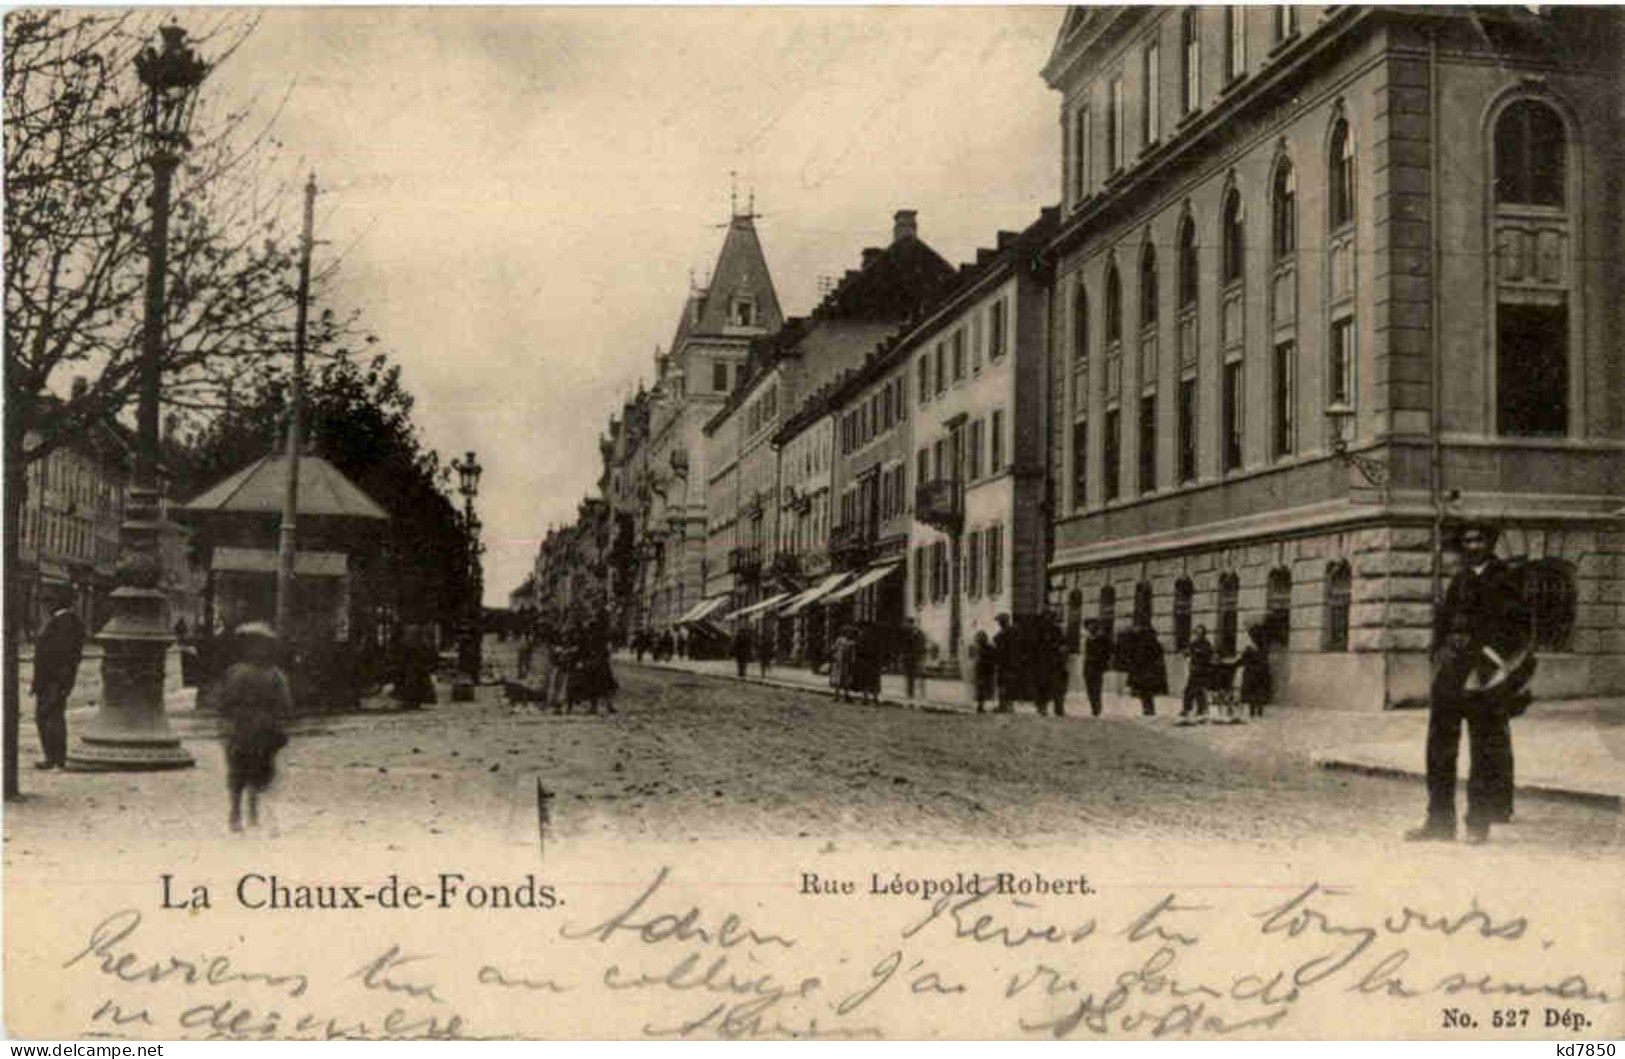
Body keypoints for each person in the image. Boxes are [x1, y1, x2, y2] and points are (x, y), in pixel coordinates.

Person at [1407, 519, 1532, 845]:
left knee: (1484, 751)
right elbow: (1445, 622)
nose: (1473, 546)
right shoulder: (1459, 579)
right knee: (1439, 750)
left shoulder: (1505, 579)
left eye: (1479, 540)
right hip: (1450, 674)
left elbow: (1518, 630)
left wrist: (1493, 668)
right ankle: (1439, 822)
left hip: (1485, 677)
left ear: (1489, 543)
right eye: (1467, 541)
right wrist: (1439, 658)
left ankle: (1478, 823)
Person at [217, 623, 292, 832]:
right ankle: (245, 812)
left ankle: (241, 813)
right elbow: (286, 704)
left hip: (245, 728)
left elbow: (223, 702)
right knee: (252, 770)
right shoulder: (275, 675)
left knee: (242, 770)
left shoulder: (237, 672)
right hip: (257, 728)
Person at [30, 604, 85, 769]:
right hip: (53, 680)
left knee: (50, 718)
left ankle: (55, 759)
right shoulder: (67, 621)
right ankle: (53, 758)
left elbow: (57, 655)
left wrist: (53, 681)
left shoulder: (64, 622)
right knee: (50, 717)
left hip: (52, 680)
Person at [1122, 621, 1168, 717]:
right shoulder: (1149, 644)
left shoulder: (1146, 645)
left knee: (1145, 692)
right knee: (1146, 692)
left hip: (1145, 671)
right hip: (1145, 671)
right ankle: (1148, 708)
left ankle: (1148, 708)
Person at [1235, 624, 1274, 720]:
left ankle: (1257, 713)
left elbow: (1245, 659)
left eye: (1253, 635)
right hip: (1256, 674)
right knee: (1255, 694)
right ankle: (1255, 713)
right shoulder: (1256, 648)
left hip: (1256, 674)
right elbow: (1244, 659)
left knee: (1257, 694)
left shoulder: (1259, 648)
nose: (1252, 637)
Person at [1180, 625, 1214, 724]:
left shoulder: (1206, 645)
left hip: (1202, 672)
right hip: (1194, 671)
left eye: (1200, 633)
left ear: (1204, 634)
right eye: (1196, 633)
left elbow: (1208, 657)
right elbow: (1187, 653)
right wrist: (1187, 655)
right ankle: (1189, 710)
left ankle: (1198, 711)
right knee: (1190, 691)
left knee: (1197, 692)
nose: (1198, 635)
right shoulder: (1193, 644)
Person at [1038, 611, 1069, 717]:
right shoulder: (1040, 631)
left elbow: (1064, 645)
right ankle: (1043, 707)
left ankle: (1059, 708)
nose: (1049, 620)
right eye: (1047, 618)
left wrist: (1061, 655)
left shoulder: (1057, 631)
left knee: (1058, 687)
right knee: (1044, 686)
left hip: (1056, 664)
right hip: (1044, 663)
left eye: (1051, 618)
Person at [1082, 618, 1112, 717]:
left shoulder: (1102, 638)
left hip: (1097, 666)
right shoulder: (1088, 638)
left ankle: (1097, 707)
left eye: (1093, 625)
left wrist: (1104, 661)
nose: (1091, 627)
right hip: (1088, 666)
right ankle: (1094, 707)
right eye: (1089, 626)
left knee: (1097, 688)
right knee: (1090, 688)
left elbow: (1108, 651)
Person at [991, 614, 1016, 713]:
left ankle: (1005, 705)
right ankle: (1006, 705)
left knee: (1005, 684)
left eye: (1000, 621)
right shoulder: (1011, 632)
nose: (999, 624)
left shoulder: (1007, 633)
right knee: (1005, 684)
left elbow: (998, 642)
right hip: (1008, 663)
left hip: (1006, 663)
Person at [970, 630, 996, 714]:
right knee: (981, 688)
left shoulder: (987, 648)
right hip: (982, 671)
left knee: (984, 688)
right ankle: (980, 705)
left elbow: (991, 659)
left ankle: (982, 705)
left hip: (986, 671)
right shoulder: (979, 648)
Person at [900, 619, 925, 700]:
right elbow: (904, 647)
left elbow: (920, 647)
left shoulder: (920, 634)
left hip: (916, 658)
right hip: (909, 659)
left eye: (909, 624)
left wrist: (919, 657)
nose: (907, 626)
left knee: (919, 677)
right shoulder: (907, 634)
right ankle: (910, 694)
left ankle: (921, 694)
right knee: (909, 677)